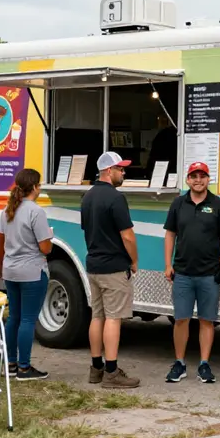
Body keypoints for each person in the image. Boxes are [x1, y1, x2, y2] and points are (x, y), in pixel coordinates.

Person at [163, 162, 220, 384]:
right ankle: (179, 363)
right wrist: (168, 264)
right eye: (194, 176)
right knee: (181, 319)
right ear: (188, 180)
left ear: (208, 179)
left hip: (209, 274)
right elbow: (170, 235)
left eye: (202, 176)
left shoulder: (218, 205)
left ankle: (204, 364)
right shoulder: (178, 204)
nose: (198, 180)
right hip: (182, 273)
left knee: (206, 320)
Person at [81, 152, 140, 389]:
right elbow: (127, 235)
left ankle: (96, 368)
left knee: (97, 316)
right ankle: (112, 372)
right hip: (114, 267)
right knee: (114, 319)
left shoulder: (87, 197)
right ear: (108, 171)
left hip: (93, 265)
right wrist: (134, 260)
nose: (124, 173)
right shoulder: (116, 198)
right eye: (120, 169)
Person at [0, 169, 53, 381]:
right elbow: (45, 248)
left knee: (14, 318)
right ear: (35, 187)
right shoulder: (36, 211)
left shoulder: (8, 210)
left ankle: (10, 364)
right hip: (32, 271)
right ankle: (25, 368)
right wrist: (50, 238)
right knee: (28, 320)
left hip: (11, 270)